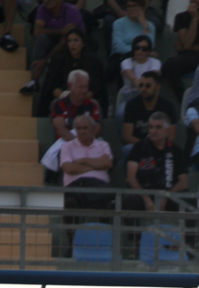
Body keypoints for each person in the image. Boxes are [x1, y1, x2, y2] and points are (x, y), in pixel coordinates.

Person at [122, 111, 190, 259]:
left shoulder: (176, 151)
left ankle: (190, 248)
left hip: (168, 193)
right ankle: (137, 245)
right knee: (127, 201)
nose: (153, 131)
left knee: (191, 203)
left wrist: (166, 196)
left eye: (158, 127)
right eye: (151, 127)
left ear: (167, 131)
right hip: (144, 192)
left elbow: (183, 182)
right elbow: (131, 178)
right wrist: (146, 199)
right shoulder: (139, 147)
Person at [61, 113, 114, 247]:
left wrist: (83, 160)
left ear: (93, 129)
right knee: (69, 203)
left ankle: (104, 244)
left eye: (85, 128)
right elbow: (68, 168)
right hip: (75, 187)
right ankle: (71, 244)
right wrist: (96, 165)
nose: (82, 131)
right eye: (78, 128)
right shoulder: (67, 146)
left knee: (109, 203)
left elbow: (108, 163)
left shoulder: (103, 145)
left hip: (98, 187)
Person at [20, 0, 85, 96]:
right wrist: (60, 31)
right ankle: (33, 80)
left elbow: (65, 42)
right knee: (41, 39)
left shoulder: (71, 11)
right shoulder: (42, 8)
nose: (47, 1)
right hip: (52, 46)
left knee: (65, 49)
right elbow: (37, 32)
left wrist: (46, 60)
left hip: (72, 50)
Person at [37, 28, 107, 117]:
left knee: (94, 105)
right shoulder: (59, 61)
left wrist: (79, 98)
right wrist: (66, 97)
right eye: (69, 41)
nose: (72, 44)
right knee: (55, 104)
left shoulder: (94, 62)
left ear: (83, 43)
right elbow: (53, 87)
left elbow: (96, 89)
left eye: (76, 40)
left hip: (86, 99)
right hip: (63, 99)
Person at [121, 70, 176, 161]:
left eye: (148, 86)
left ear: (158, 88)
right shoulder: (131, 105)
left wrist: (156, 146)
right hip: (139, 145)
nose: (143, 89)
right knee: (127, 149)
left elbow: (171, 137)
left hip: (161, 145)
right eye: (141, 85)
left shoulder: (168, 106)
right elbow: (127, 137)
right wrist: (148, 146)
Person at [50, 70, 102, 142]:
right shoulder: (58, 104)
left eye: (86, 87)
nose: (84, 91)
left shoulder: (92, 105)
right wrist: (77, 144)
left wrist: (87, 141)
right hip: (65, 142)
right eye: (81, 87)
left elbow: (97, 128)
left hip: (89, 142)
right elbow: (61, 130)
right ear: (70, 86)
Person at [116, 31, 159, 111]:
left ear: (149, 51)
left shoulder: (155, 62)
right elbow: (133, 79)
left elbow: (151, 80)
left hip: (150, 96)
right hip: (129, 96)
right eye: (137, 48)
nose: (140, 51)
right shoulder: (126, 62)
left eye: (144, 49)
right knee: (121, 113)